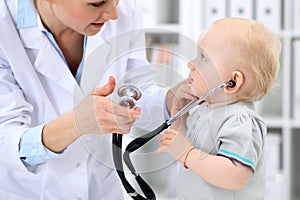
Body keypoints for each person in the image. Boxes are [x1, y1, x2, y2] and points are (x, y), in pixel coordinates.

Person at [0, 0, 181, 199]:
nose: (114, 14)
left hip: (101, 189)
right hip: (29, 191)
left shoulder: (124, 10)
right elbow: (5, 139)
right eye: (96, 4)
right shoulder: (4, 25)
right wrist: (76, 123)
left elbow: (133, 92)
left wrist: (171, 100)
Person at [157, 17, 281, 199]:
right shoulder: (204, 110)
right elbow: (187, 142)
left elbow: (235, 176)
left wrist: (186, 153)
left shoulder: (240, 121)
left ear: (232, 82)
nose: (191, 64)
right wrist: (179, 112)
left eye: (203, 58)